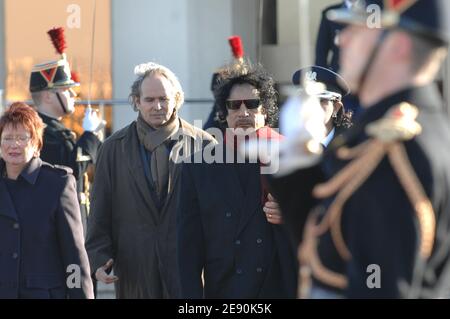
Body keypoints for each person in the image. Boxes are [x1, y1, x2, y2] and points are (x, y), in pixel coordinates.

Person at [269, 0, 450, 298]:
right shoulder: (382, 135)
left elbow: (376, 286)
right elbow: (334, 252)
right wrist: (297, 167)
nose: (341, 39)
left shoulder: (394, 148)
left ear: (398, 46)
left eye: (356, 29)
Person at [85, 62, 216, 299]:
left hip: (189, 274)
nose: (157, 106)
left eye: (164, 99)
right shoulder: (113, 149)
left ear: (177, 99)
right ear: (136, 101)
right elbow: (99, 213)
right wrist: (99, 259)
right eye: (149, 99)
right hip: (135, 274)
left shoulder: (204, 145)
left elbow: (217, 216)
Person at [177, 61, 298, 299]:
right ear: (224, 113)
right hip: (225, 292)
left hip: (278, 289)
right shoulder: (197, 167)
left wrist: (291, 215)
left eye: (252, 104)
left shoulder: (292, 157)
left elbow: (321, 222)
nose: (243, 113)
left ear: (265, 110)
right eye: (234, 106)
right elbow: (188, 250)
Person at [0, 102, 93, 299]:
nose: (14, 144)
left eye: (22, 138)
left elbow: (74, 256)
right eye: (7, 138)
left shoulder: (57, 183)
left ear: (36, 144)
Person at [29, 27, 104, 233]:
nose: (73, 93)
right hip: (57, 224)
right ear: (47, 96)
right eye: (65, 89)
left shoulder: (57, 128)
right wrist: (89, 136)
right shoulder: (40, 132)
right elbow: (69, 170)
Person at [292, 65, 353, 147]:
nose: (311, 105)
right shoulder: (287, 140)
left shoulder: (350, 143)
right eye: (305, 99)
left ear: (336, 107)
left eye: (320, 100)